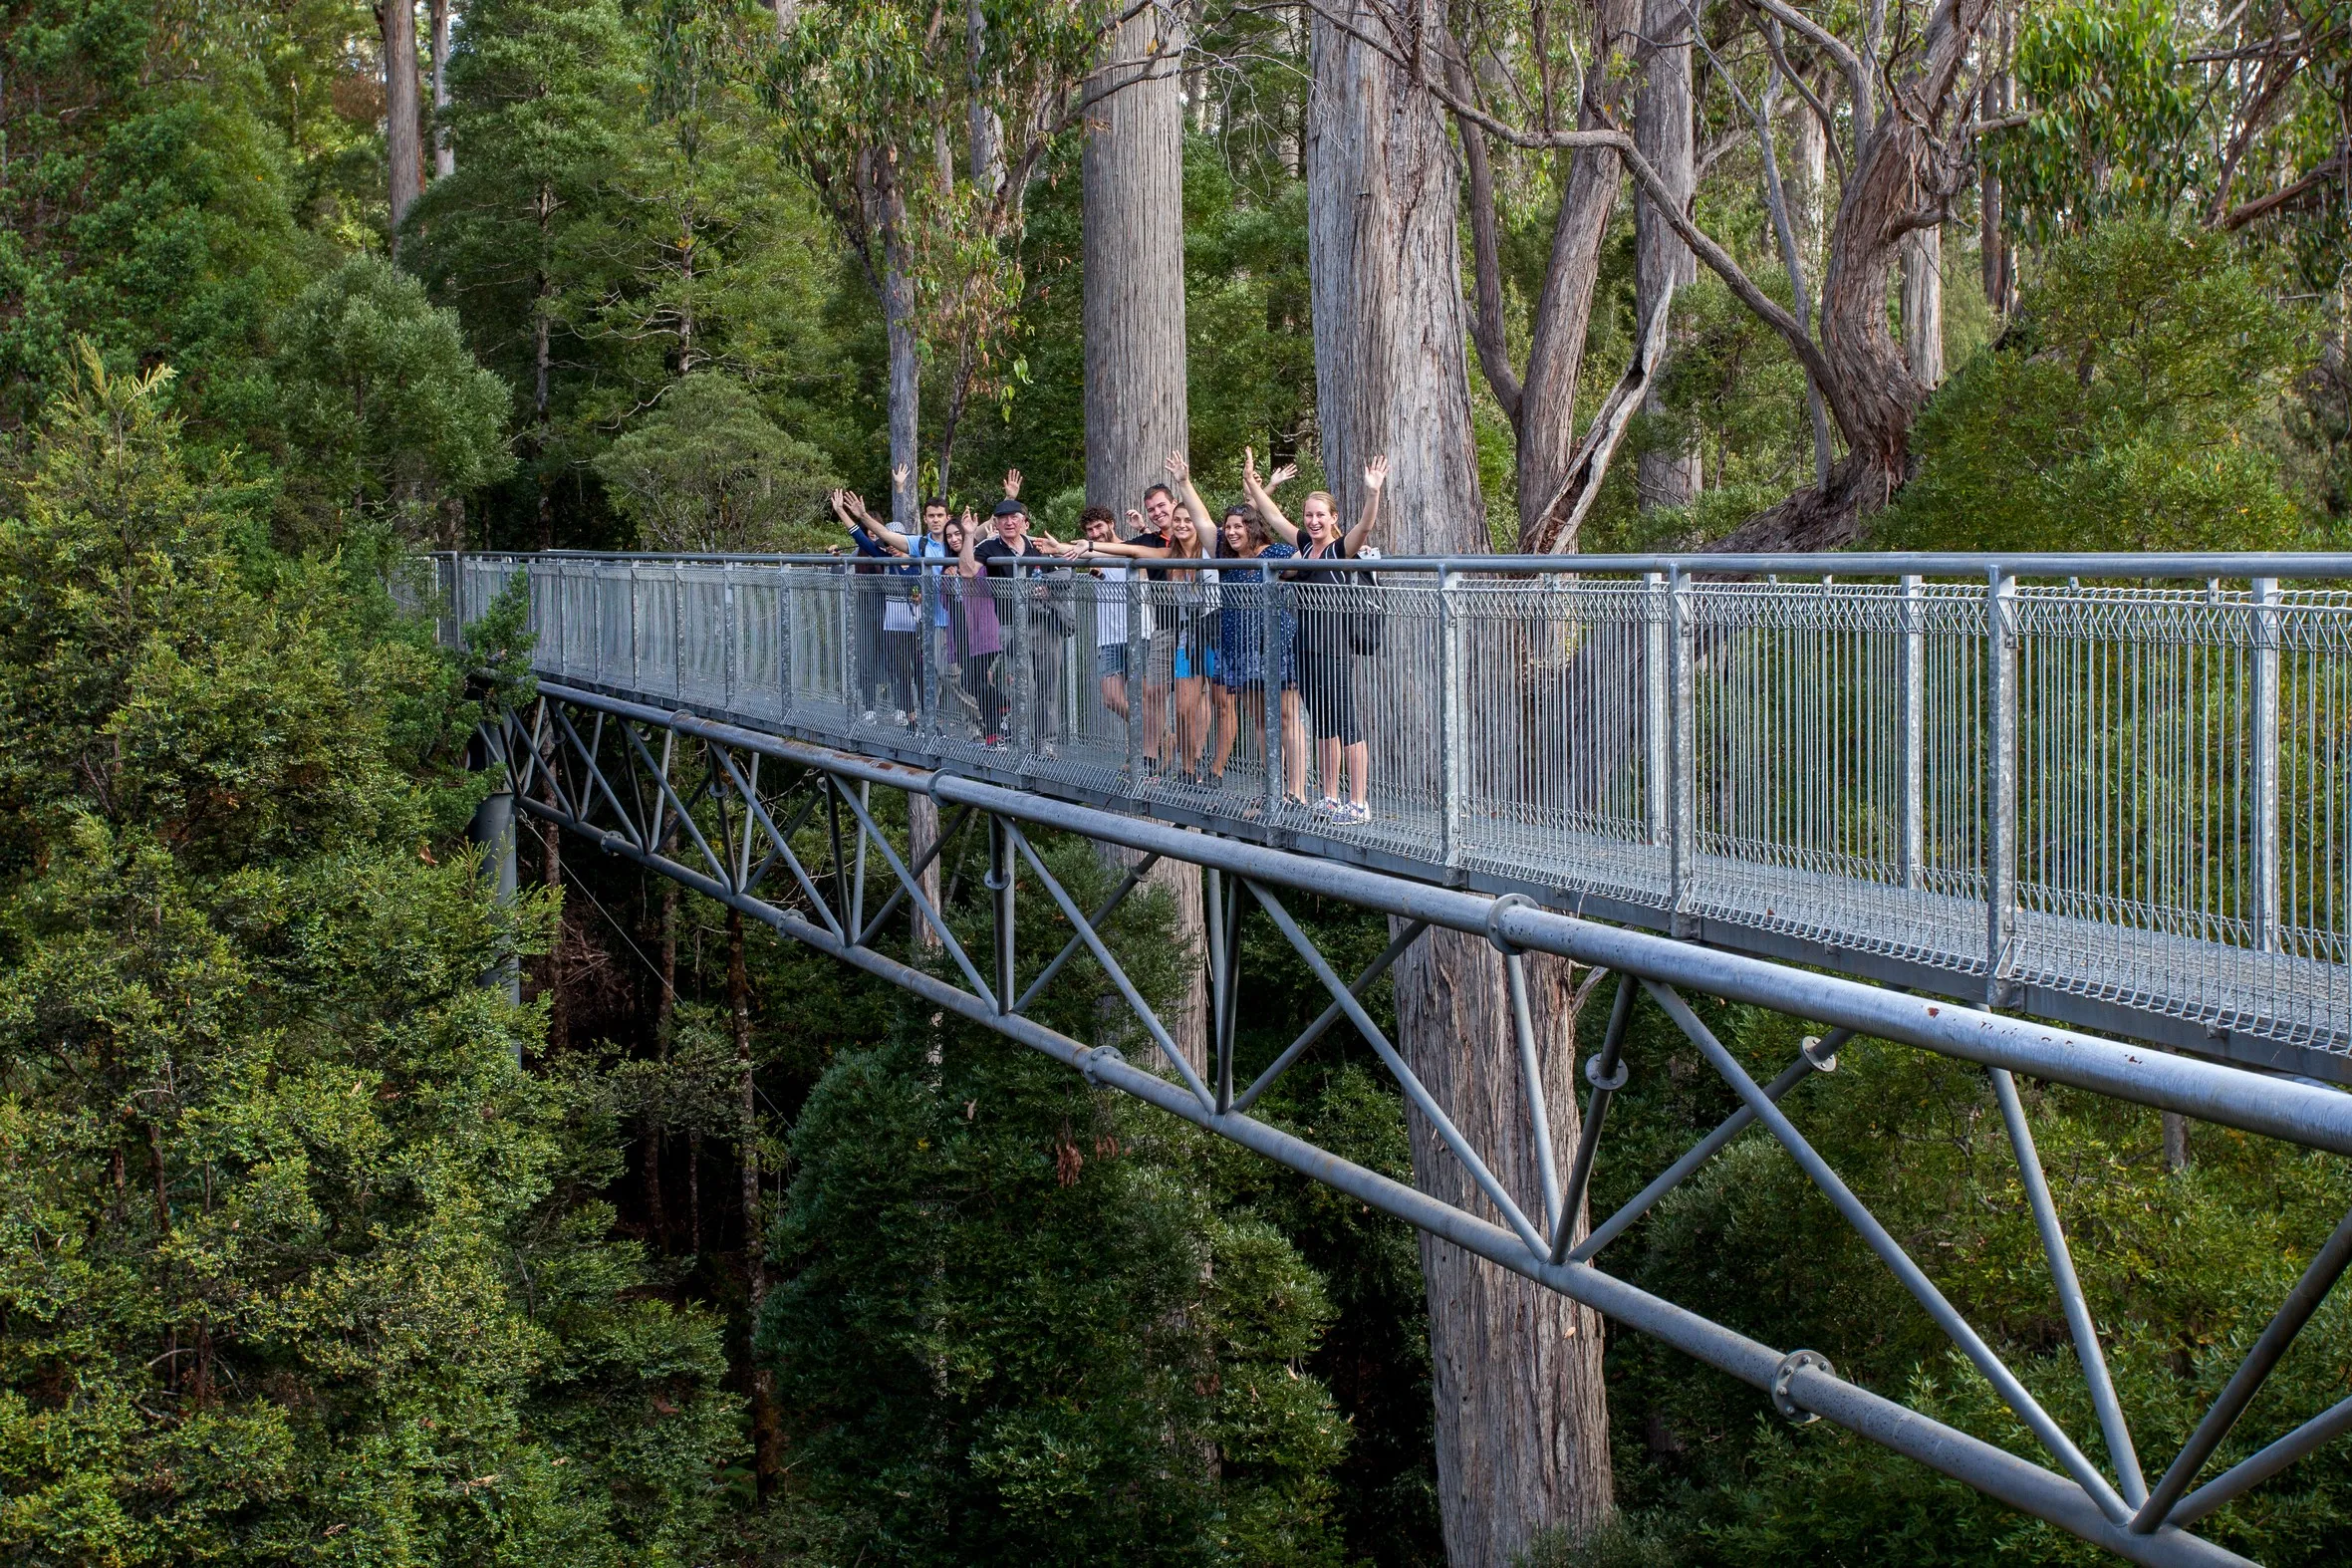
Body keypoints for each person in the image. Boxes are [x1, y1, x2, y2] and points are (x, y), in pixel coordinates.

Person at [1243, 448, 1389, 823]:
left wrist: (1373, 492)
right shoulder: (1305, 547)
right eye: (1308, 515)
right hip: (1304, 648)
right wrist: (1252, 480)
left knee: (1345, 722)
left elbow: (1366, 527)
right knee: (1321, 723)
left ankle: (1358, 801)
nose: (1312, 521)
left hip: (1334, 649)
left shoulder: (1341, 550)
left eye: (1320, 515)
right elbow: (1272, 516)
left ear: (1333, 518)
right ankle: (1328, 796)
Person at [1075, 455, 1218, 781]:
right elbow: (1124, 550)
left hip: (1205, 624)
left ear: (1175, 506)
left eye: (1161, 506)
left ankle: (1194, 761)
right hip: (1166, 627)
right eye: (1151, 509)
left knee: (1201, 698)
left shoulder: (1197, 538)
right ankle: (1151, 756)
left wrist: (1184, 481)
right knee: (1152, 692)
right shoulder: (1150, 542)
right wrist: (1083, 548)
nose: (1158, 513)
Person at [1206, 499, 1310, 806]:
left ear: (1252, 528)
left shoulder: (1274, 553)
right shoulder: (1225, 559)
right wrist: (1184, 483)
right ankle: (1273, 791)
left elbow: (1306, 555)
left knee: (1288, 717)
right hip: (1240, 651)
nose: (1232, 532)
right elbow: (1199, 518)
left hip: (1276, 646)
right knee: (1262, 721)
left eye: (1239, 526)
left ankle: (1298, 793)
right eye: (1228, 527)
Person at [969, 475, 1068, 751]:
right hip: (1012, 627)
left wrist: (1047, 587)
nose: (1009, 522)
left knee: (1048, 689)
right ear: (996, 523)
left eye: (1014, 517)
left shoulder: (1039, 546)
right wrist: (968, 534)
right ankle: (1023, 741)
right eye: (1003, 519)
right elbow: (967, 569)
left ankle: (1046, 743)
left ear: (1025, 521)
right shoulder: (988, 547)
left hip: (1046, 626)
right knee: (1022, 687)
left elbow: (1066, 570)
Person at [828, 486, 916, 723]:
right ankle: (874, 707)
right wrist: (842, 513)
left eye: (896, 541)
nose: (891, 546)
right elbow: (860, 538)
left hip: (914, 624)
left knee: (906, 667)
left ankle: (910, 711)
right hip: (887, 619)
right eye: (888, 541)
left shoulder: (921, 560)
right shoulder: (883, 557)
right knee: (872, 658)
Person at [944, 508, 1005, 743]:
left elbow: (977, 576)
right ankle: (993, 729)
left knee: (973, 679)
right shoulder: (946, 563)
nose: (954, 539)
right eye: (950, 536)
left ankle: (1001, 710)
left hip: (984, 628)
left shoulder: (979, 555)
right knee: (976, 682)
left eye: (957, 534)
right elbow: (946, 602)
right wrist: (947, 581)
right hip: (962, 629)